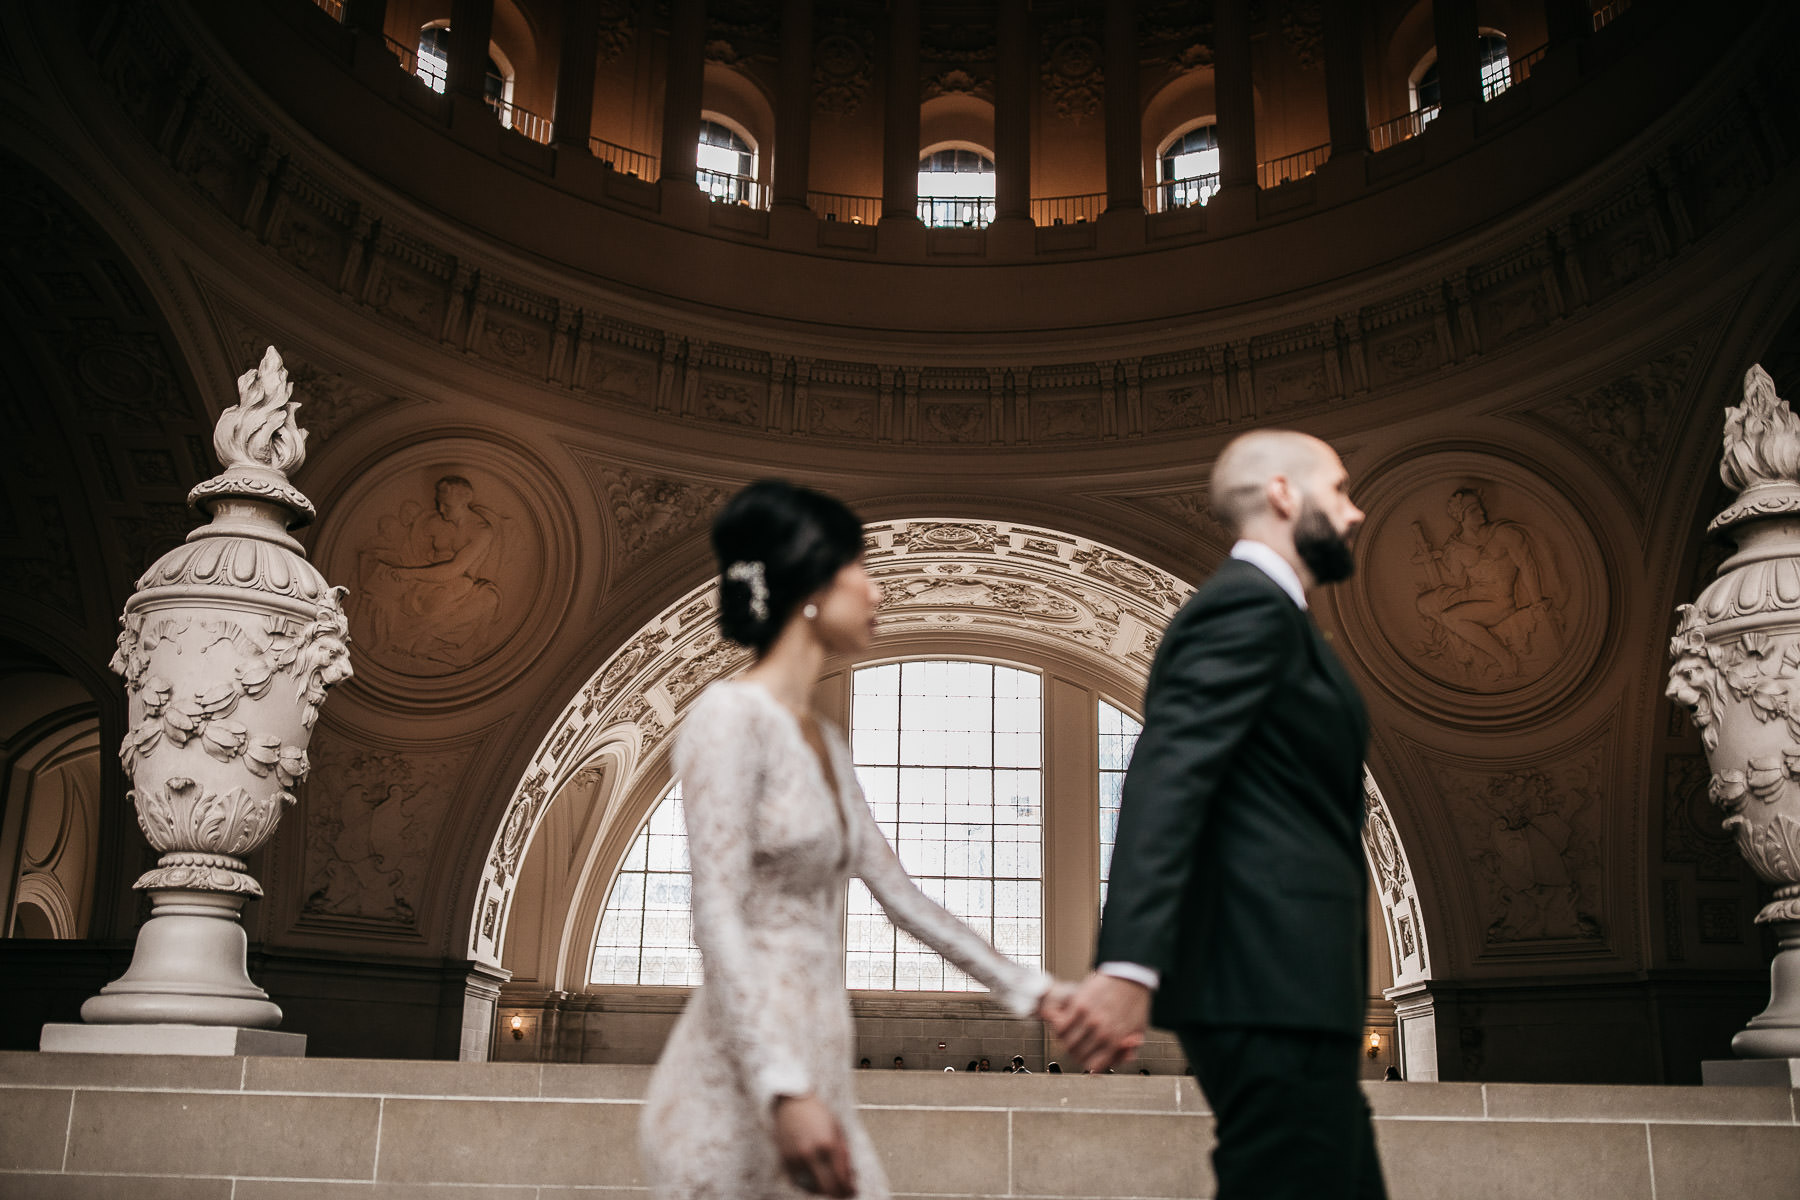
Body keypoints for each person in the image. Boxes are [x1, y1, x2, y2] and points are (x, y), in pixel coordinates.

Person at [639, 480, 1071, 1200]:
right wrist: (781, 1089)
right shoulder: (728, 716)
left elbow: (904, 900)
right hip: (742, 1079)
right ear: (810, 582)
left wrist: (1038, 992)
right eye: (861, 568)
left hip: (820, 1066)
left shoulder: (826, 744)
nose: (878, 589)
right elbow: (715, 911)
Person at [1050, 430, 1386, 1200]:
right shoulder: (1241, 610)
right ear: (1282, 494)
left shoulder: (1279, 617)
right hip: (1264, 979)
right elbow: (1170, 778)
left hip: (1293, 984)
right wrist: (1130, 964)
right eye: (1339, 490)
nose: (1356, 512)